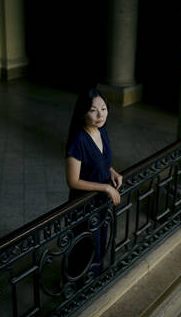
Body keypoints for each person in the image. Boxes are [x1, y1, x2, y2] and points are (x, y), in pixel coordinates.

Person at [64, 87, 123, 277]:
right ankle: (77, 287)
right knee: (85, 249)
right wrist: (105, 187)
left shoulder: (102, 132)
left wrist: (112, 172)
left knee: (99, 243)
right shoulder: (78, 140)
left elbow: (103, 161)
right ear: (83, 113)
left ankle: (94, 280)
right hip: (84, 205)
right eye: (93, 110)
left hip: (101, 203)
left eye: (104, 108)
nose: (100, 115)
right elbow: (73, 181)